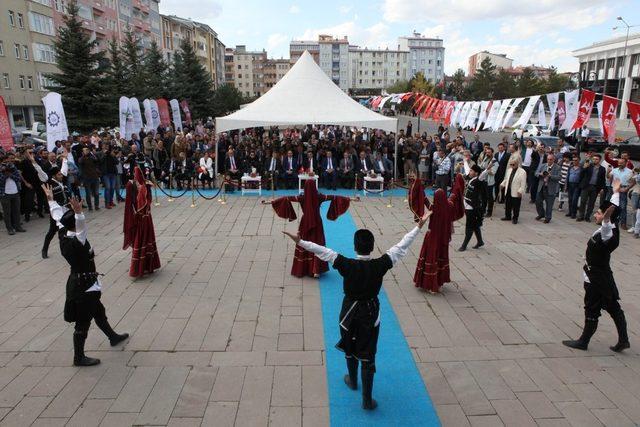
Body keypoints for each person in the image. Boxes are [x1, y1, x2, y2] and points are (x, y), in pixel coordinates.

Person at [282, 211, 431, 410]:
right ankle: (367, 400)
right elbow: (402, 245)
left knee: (349, 345)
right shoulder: (380, 264)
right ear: (372, 246)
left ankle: (352, 381)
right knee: (368, 353)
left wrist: (300, 241)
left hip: (348, 313)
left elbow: (322, 251)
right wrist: (419, 226)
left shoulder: (346, 264)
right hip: (370, 314)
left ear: (354, 246)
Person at [43, 184, 129, 366]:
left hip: (82, 283)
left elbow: (58, 216)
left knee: (99, 311)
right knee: (83, 323)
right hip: (84, 287)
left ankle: (112, 336)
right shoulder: (77, 240)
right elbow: (81, 227)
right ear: (74, 225)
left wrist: (51, 200)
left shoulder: (63, 232)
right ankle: (78, 357)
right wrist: (79, 212)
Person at [562, 195, 629, 353]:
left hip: (596, 279)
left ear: (607, 217)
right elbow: (613, 211)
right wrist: (616, 192)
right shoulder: (610, 229)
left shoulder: (609, 233)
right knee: (614, 308)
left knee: (592, 309)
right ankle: (624, 340)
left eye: (598, 213)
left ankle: (583, 342)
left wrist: (605, 219)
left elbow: (606, 229)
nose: (595, 215)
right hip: (602, 276)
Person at [263, 179, 354, 278]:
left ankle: (303, 269)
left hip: (305, 222)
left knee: (304, 242)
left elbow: (286, 198)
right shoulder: (319, 196)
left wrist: (270, 202)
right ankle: (316, 271)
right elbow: (335, 197)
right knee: (318, 243)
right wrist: (350, 199)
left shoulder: (302, 197)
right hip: (317, 222)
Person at [412, 174, 465, 293]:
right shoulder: (450, 206)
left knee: (431, 259)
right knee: (441, 259)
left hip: (432, 239)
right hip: (443, 240)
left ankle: (430, 284)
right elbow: (455, 195)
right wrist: (458, 180)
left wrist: (418, 185)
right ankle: (438, 283)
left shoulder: (433, 208)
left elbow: (424, 199)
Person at [123, 167, 161, 278]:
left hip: (142, 218)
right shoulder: (133, 185)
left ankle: (141, 267)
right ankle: (147, 266)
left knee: (142, 240)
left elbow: (145, 202)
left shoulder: (144, 185)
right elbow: (131, 203)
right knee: (144, 239)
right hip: (143, 217)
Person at [42, 164, 70, 258]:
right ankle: (44, 249)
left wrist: (65, 160)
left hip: (66, 209)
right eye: (59, 174)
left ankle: (70, 249)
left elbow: (65, 169)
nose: (61, 176)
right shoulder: (50, 184)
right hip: (56, 210)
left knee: (69, 229)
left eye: (61, 174)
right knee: (52, 231)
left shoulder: (62, 181)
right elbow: (41, 174)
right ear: (54, 176)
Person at [458, 165, 484, 251]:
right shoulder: (470, 179)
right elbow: (466, 168)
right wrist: (465, 160)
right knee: (475, 224)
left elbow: (483, 174)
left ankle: (464, 245)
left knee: (469, 226)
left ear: (476, 173)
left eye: (472, 171)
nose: (470, 172)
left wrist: (487, 169)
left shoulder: (478, 180)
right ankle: (480, 241)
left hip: (472, 207)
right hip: (467, 205)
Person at [577, 154, 606, 223]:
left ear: (599, 160)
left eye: (596, 159)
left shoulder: (602, 169)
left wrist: (602, 188)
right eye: (593, 159)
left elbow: (602, 179)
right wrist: (584, 168)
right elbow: (581, 174)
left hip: (595, 187)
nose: (594, 160)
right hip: (586, 186)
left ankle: (587, 216)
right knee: (583, 201)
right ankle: (581, 215)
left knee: (591, 203)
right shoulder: (588, 166)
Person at [0, 158, 25, 235]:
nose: (8, 163)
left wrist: (10, 174)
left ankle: (18, 227)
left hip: (15, 192)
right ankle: (10, 229)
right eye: (6, 162)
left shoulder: (14, 168)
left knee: (17, 211)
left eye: (9, 161)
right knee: (7, 213)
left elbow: (18, 179)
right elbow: (0, 182)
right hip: (5, 194)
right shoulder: (1, 169)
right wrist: (5, 175)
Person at [535, 154, 561, 223]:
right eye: (548, 159)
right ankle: (541, 214)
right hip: (542, 187)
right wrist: (540, 174)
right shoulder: (543, 165)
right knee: (538, 201)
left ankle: (548, 218)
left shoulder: (557, 167)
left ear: (553, 160)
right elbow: (536, 173)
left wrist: (550, 176)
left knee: (549, 204)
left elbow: (559, 177)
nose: (549, 161)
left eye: (551, 159)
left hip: (550, 188)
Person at [500, 158, 527, 224]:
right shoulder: (509, 170)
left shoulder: (522, 172)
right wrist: (502, 184)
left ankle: (515, 218)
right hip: (508, 189)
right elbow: (506, 179)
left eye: (513, 164)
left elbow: (523, 183)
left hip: (516, 191)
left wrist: (520, 191)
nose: (512, 165)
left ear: (517, 164)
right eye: (511, 164)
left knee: (516, 206)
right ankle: (508, 216)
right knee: (507, 204)